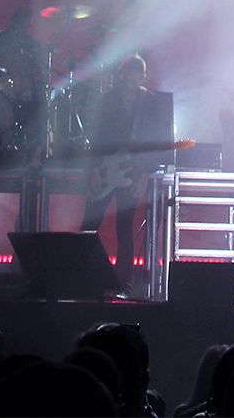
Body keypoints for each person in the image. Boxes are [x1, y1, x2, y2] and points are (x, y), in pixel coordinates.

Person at [80, 54, 156, 293]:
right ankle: (82, 276)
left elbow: (156, 142)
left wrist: (145, 174)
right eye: (128, 74)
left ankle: (124, 282)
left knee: (124, 228)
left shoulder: (149, 102)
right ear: (122, 75)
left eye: (137, 74)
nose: (132, 78)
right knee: (89, 225)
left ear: (142, 76)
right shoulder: (108, 100)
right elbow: (96, 137)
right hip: (105, 169)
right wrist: (93, 169)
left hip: (132, 171)